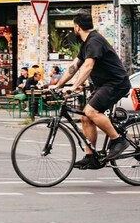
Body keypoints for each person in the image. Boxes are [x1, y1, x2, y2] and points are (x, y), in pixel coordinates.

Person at [53, 10, 129, 169]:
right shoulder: (86, 44)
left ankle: (118, 140)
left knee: (91, 111)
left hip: (116, 83)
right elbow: (74, 66)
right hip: (103, 85)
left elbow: (88, 66)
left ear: (76, 27)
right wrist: (58, 85)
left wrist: (73, 87)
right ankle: (91, 156)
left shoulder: (94, 41)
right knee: (85, 117)